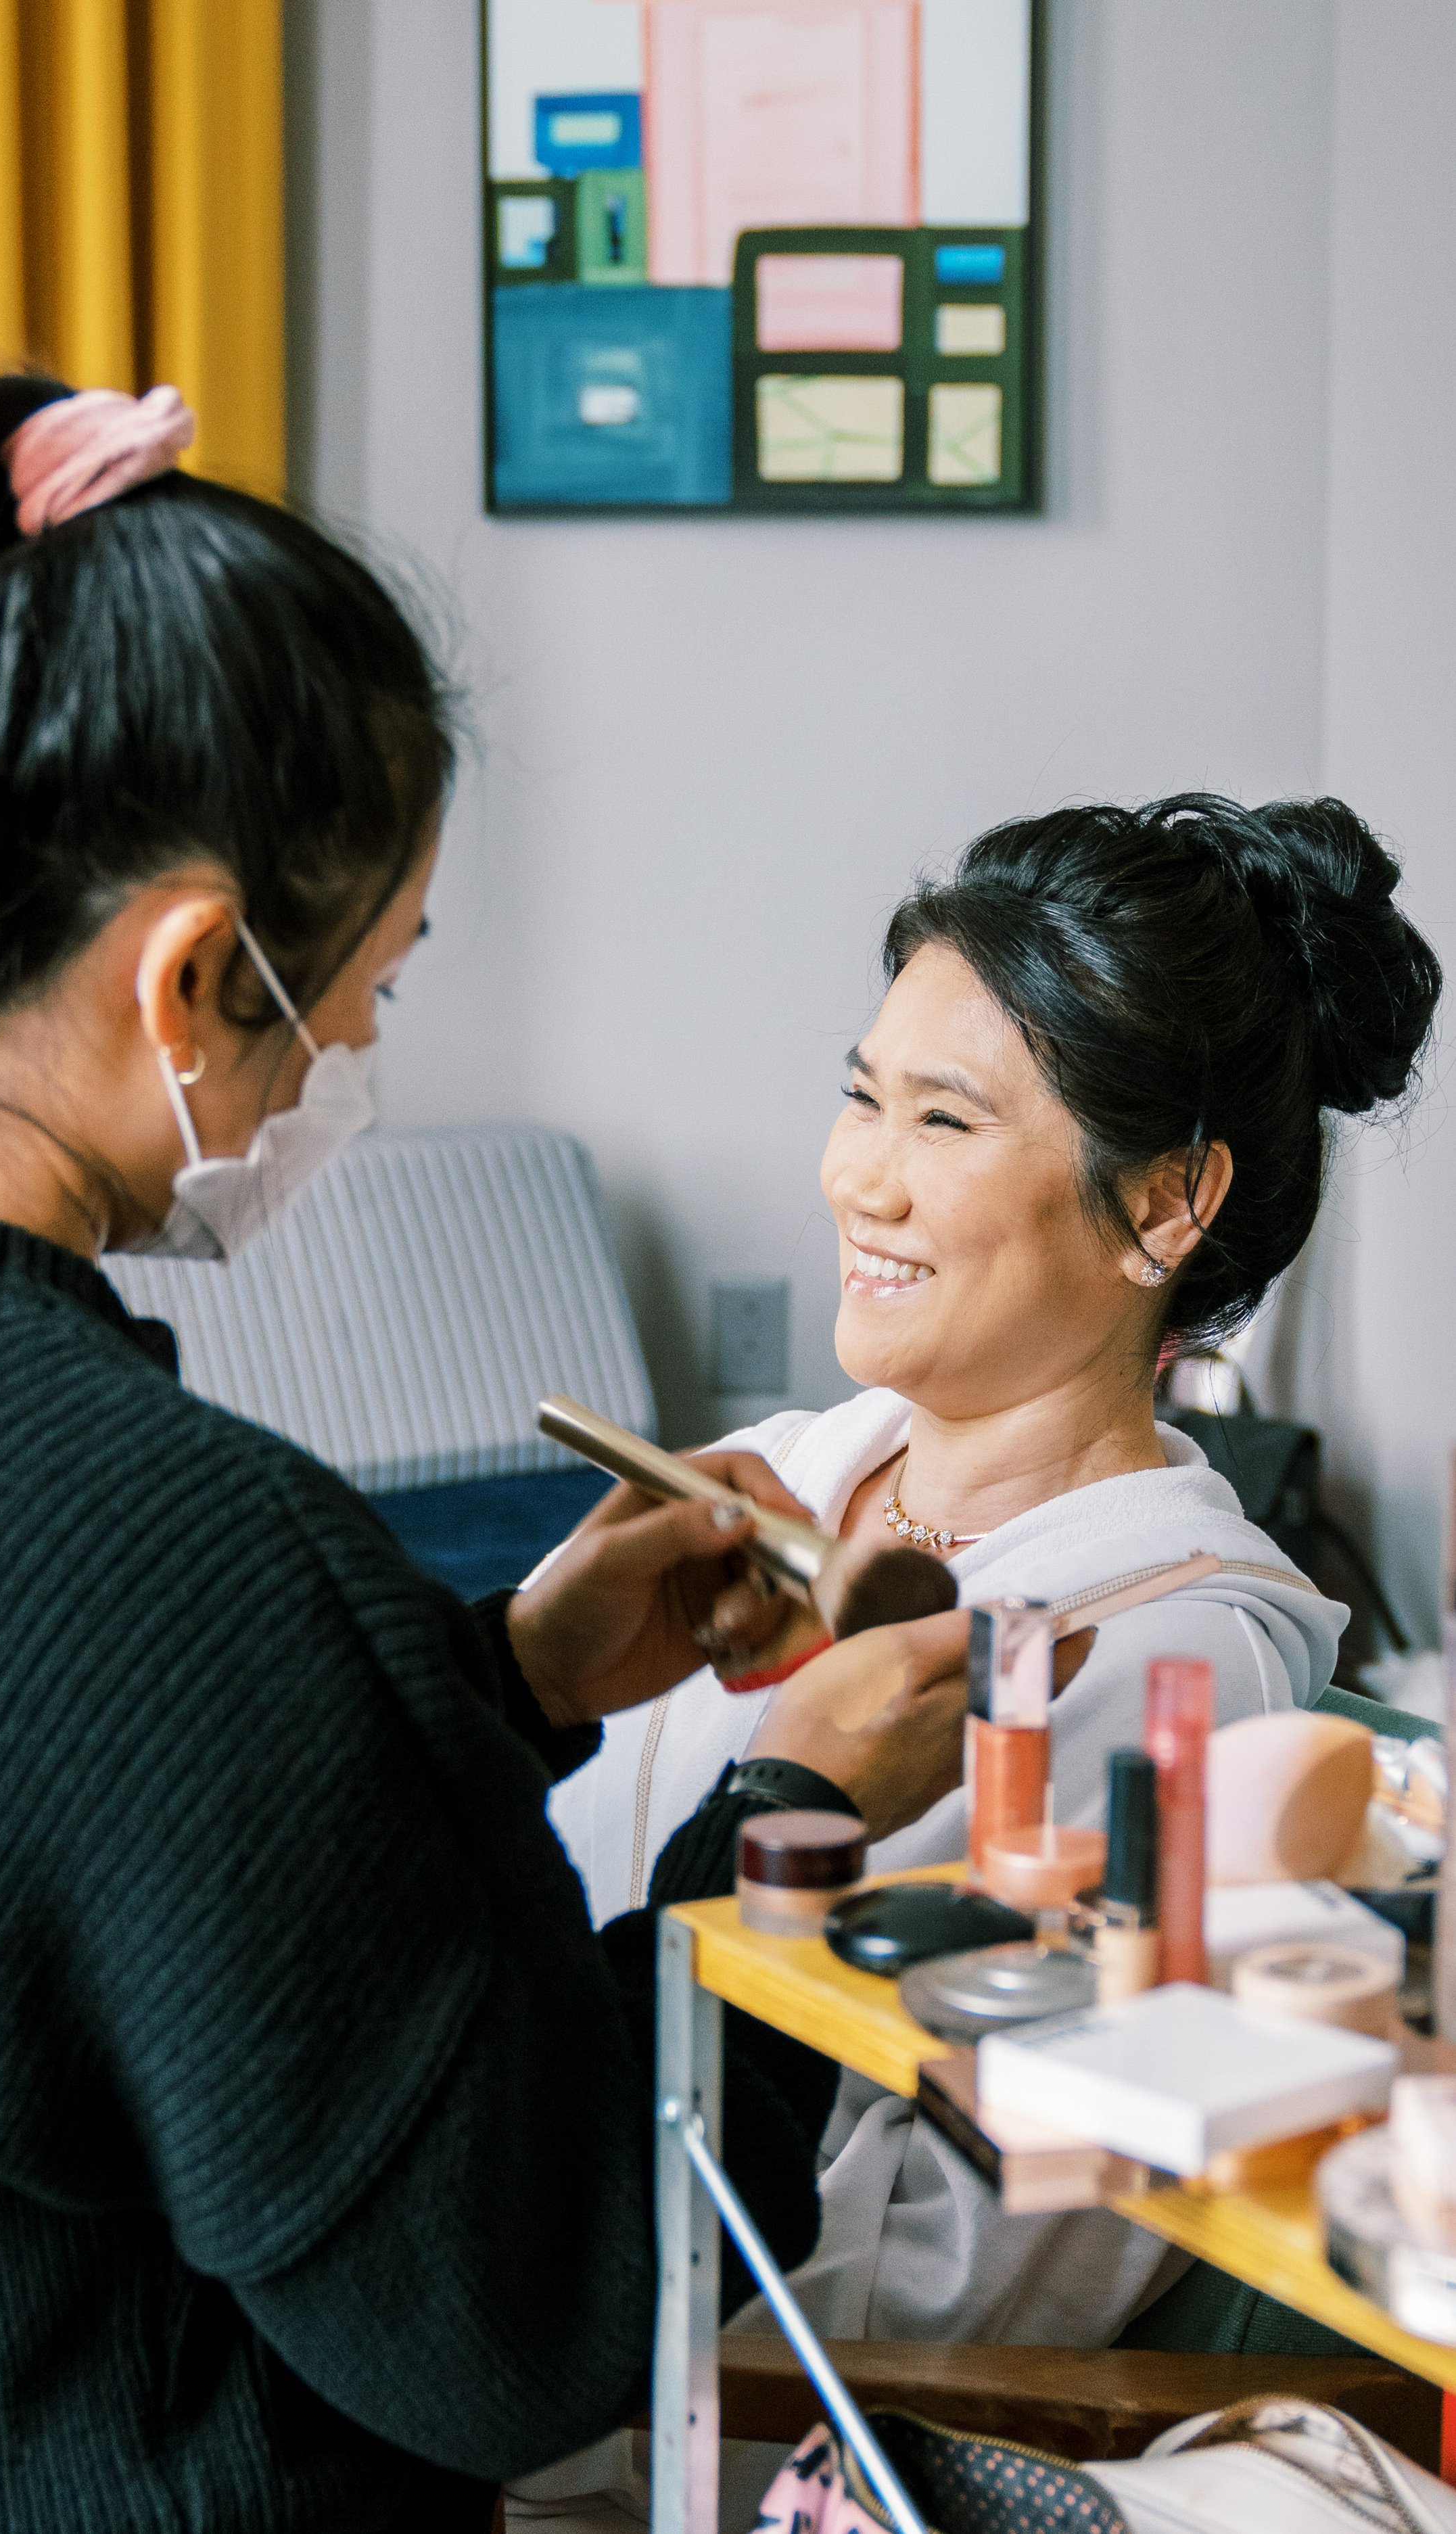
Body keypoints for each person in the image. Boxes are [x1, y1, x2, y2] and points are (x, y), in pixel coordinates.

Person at [0, 377, 972, 2533]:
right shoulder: (178, 1549)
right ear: (195, 977)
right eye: (373, 993)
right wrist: (793, 1830)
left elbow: (18, 1853)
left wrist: (492, 1671)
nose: (366, 1064)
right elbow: (527, 2313)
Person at [548, 794, 1441, 2359]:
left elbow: (968, 2266)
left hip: (667, 2397)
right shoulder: (766, 1478)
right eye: (859, 1096)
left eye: (942, 1122)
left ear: (1166, 1201)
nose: (858, 1180)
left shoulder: (1171, 1662)